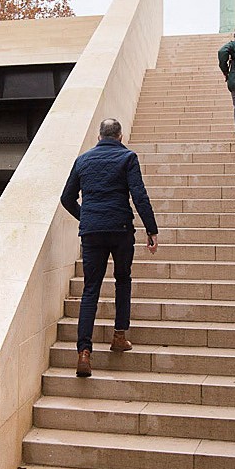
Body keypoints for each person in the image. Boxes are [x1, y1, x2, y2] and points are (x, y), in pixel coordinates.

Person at [60, 118, 159, 378]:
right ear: (120, 136)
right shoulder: (127, 158)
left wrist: (87, 217)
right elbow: (139, 194)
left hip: (92, 231)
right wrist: (151, 229)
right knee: (122, 280)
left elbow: (66, 198)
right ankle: (118, 337)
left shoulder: (83, 160)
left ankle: (84, 352)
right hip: (120, 229)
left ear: (99, 136)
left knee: (90, 289)